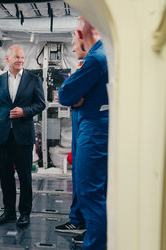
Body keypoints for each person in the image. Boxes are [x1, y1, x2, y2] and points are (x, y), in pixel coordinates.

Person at [58, 17, 109, 249]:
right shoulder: (101, 54)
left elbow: (66, 94)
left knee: (91, 192)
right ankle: (90, 233)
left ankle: (95, 244)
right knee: (87, 185)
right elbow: (70, 96)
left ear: (80, 34)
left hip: (94, 128)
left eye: (73, 38)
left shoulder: (96, 59)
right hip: (90, 124)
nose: (72, 45)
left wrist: (73, 95)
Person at [0, 45, 46, 227]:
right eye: (17, 58)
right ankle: (9, 212)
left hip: (23, 136)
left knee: (25, 177)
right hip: (3, 135)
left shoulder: (33, 80)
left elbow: (41, 104)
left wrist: (24, 111)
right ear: (7, 59)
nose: (20, 60)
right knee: (5, 176)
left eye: (22, 57)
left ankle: (25, 213)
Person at [54, 31, 88, 234]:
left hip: (87, 125)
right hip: (80, 124)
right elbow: (65, 93)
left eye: (74, 44)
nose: (73, 49)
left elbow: (66, 94)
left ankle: (87, 227)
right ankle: (77, 220)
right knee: (78, 176)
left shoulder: (93, 63)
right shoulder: (83, 65)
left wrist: (71, 96)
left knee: (86, 179)